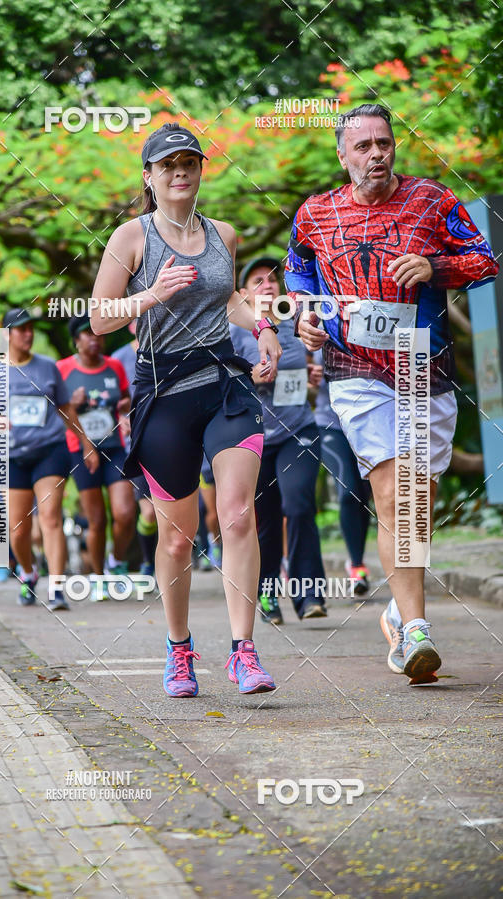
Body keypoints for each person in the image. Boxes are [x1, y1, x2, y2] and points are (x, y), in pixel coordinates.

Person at [288, 103, 499, 681]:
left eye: (384, 143)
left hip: (423, 363)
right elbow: (298, 269)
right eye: (363, 146)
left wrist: (434, 267)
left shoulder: (433, 200)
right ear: (343, 155)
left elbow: (485, 261)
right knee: (391, 492)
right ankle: (416, 630)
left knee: (418, 500)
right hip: (355, 367)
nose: (376, 153)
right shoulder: (315, 212)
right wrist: (306, 313)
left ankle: (398, 610)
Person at [90, 121, 281, 697]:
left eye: (189, 163)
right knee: (177, 539)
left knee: (238, 514)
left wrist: (263, 327)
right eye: (167, 164)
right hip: (164, 393)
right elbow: (99, 318)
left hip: (224, 383)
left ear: (200, 171)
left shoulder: (223, 234)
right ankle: (179, 651)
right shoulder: (132, 237)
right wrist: (151, 295)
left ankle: (244, 651)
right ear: (149, 177)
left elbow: (228, 299)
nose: (180, 172)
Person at [0, 307, 99, 610]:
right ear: (7, 335)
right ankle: (29, 572)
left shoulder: (47, 367)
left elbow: (65, 409)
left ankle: (56, 589)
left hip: (50, 451)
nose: (28, 334)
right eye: (21, 329)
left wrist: (86, 444)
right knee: (18, 530)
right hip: (12, 456)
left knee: (51, 517)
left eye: (31, 328)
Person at [231, 256, 327, 623]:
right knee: (265, 519)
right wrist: (249, 377)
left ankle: (309, 596)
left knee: (299, 505)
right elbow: (218, 379)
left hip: (298, 430)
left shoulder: (296, 325)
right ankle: (267, 594)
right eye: (258, 280)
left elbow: (309, 371)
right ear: (243, 294)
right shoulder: (233, 331)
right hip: (252, 436)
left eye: (273, 279)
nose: (268, 285)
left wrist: (311, 376)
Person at [57, 314, 135, 601]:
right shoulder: (63, 369)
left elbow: (125, 400)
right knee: (97, 520)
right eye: (87, 334)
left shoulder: (114, 366)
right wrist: (72, 405)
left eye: (98, 334)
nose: (94, 339)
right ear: (76, 340)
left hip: (114, 446)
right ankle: (99, 578)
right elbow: (56, 411)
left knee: (125, 513)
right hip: (80, 450)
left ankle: (116, 561)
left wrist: (125, 409)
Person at [309, 352, 372, 595]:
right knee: (348, 492)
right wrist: (310, 377)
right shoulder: (318, 335)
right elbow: (298, 371)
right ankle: (356, 565)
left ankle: (358, 558)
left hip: (367, 424)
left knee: (363, 496)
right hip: (330, 425)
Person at [112, 321, 158, 577]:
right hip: (136, 445)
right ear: (130, 326)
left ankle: (167, 563)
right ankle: (149, 562)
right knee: (148, 512)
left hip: (170, 439)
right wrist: (120, 418)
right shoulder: (118, 359)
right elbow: (109, 400)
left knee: (169, 511)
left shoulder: (167, 348)